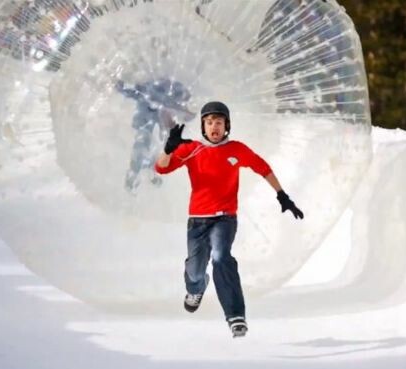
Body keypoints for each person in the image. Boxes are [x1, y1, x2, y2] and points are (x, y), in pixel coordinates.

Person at [154, 101, 304, 338]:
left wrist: (282, 195)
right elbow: (161, 168)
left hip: (225, 219)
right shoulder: (191, 148)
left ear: (227, 126)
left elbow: (263, 168)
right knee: (194, 271)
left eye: (219, 123)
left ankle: (235, 316)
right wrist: (169, 148)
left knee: (221, 257)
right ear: (203, 126)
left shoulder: (236, 149)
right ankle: (196, 286)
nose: (214, 127)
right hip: (197, 221)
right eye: (210, 122)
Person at [116, 79, 195, 191]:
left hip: (153, 125)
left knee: (148, 144)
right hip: (150, 124)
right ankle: (142, 174)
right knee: (145, 144)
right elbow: (135, 90)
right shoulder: (152, 95)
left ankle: (144, 174)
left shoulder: (162, 98)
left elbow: (134, 90)